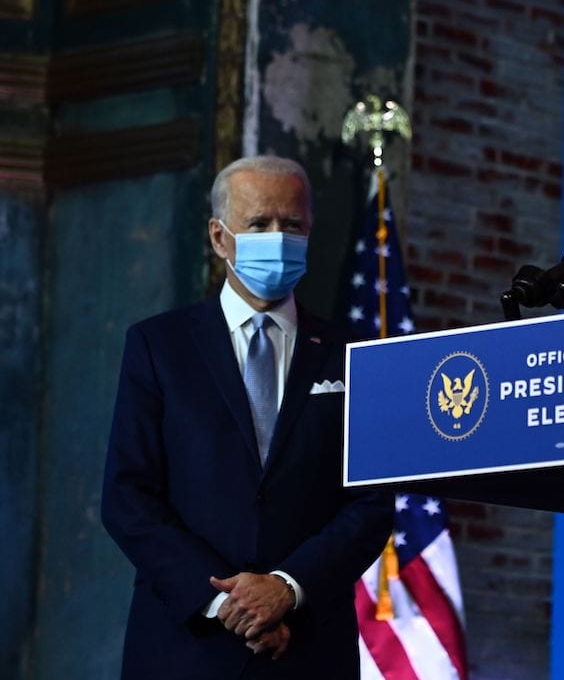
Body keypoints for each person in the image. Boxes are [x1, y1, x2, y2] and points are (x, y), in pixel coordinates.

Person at [102, 155, 393, 678]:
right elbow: (128, 497)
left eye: (293, 225)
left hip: (308, 649)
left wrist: (285, 588)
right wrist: (229, 605)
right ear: (219, 237)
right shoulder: (158, 346)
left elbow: (371, 504)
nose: (278, 238)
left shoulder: (353, 353)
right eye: (259, 224)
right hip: (184, 645)